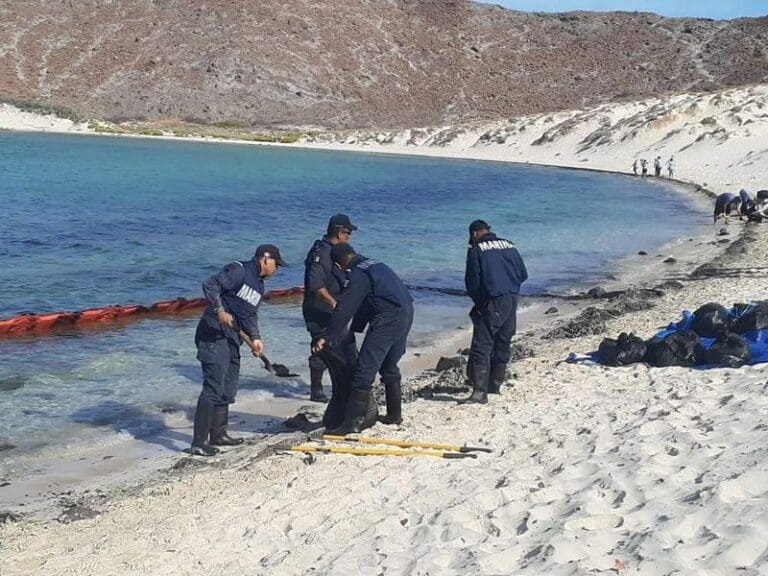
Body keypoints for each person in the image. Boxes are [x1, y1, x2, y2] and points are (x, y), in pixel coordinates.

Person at [191, 244, 286, 456]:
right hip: (214, 334)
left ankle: (219, 434)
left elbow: (249, 315)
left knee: (229, 386)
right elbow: (210, 285)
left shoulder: (259, 287)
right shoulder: (239, 270)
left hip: (233, 337)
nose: (276, 270)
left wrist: (256, 338)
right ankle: (198, 442)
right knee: (213, 387)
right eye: (276, 265)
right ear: (265, 259)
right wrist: (219, 310)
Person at [313, 244, 413, 434]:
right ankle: (394, 415)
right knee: (389, 366)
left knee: (363, 371)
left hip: (388, 318)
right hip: (406, 312)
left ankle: (352, 425)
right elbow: (368, 303)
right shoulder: (374, 264)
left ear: (337, 264)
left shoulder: (357, 273)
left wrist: (328, 337)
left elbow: (346, 307)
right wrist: (355, 330)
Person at [461, 220, 528, 404]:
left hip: (492, 300)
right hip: (512, 298)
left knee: (482, 345)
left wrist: (480, 302)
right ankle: (495, 385)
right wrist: (510, 287)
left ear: (475, 234)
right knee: (503, 340)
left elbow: (472, 282)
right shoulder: (509, 244)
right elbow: (523, 274)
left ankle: (479, 392)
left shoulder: (476, 250)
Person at [302, 214, 358, 404]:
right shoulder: (322, 253)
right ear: (340, 233)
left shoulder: (334, 251)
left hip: (336, 309)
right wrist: (334, 304)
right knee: (325, 347)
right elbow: (315, 285)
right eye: (348, 233)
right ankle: (318, 391)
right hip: (321, 309)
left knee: (346, 346)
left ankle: (345, 385)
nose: (349, 238)